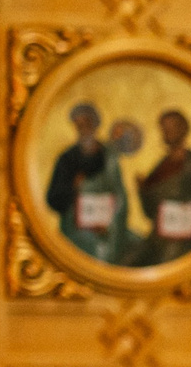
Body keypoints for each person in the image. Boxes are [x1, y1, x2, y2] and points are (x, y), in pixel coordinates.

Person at [43, 103, 132, 265]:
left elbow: (120, 195)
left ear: (95, 124)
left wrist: (109, 224)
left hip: (108, 227)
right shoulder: (67, 159)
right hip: (76, 229)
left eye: (87, 124)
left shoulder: (109, 156)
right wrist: (73, 187)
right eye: (79, 125)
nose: (83, 129)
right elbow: (54, 199)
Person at [134, 109, 191, 264]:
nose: (167, 132)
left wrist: (187, 209)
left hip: (185, 240)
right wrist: (143, 190)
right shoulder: (163, 165)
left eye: (172, 127)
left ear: (183, 130)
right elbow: (150, 212)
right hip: (159, 236)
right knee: (130, 261)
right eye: (164, 128)